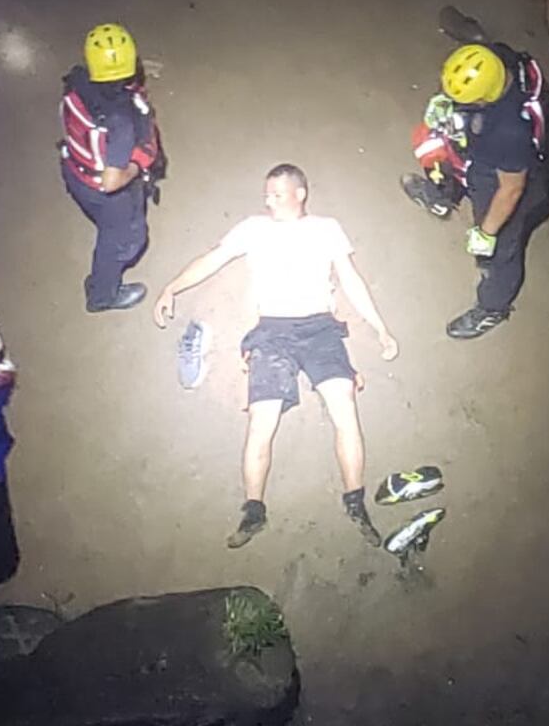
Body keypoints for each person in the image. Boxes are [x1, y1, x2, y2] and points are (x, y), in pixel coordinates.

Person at [152, 164, 398, 550]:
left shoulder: (326, 228)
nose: (269, 201)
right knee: (261, 421)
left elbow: (351, 279)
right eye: (267, 194)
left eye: (277, 194)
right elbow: (214, 258)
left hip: (321, 328)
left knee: (345, 408)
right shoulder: (253, 228)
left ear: (300, 194)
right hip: (271, 332)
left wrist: (380, 327)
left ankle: (355, 501)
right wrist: (172, 287)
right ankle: (254, 510)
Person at [402, 10, 549, 340]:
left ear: (484, 98)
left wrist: (487, 232)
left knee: (501, 250)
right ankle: (444, 195)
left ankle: (493, 307)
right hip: (481, 156)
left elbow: (511, 190)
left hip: (507, 182)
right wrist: (445, 104)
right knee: (450, 153)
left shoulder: (509, 132)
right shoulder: (498, 62)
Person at [60, 23, 163, 313]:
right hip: (105, 192)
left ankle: (101, 280)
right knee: (126, 240)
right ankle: (102, 295)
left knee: (110, 231)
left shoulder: (79, 81)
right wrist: (138, 166)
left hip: (74, 170)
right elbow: (111, 182)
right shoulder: (121, 121)